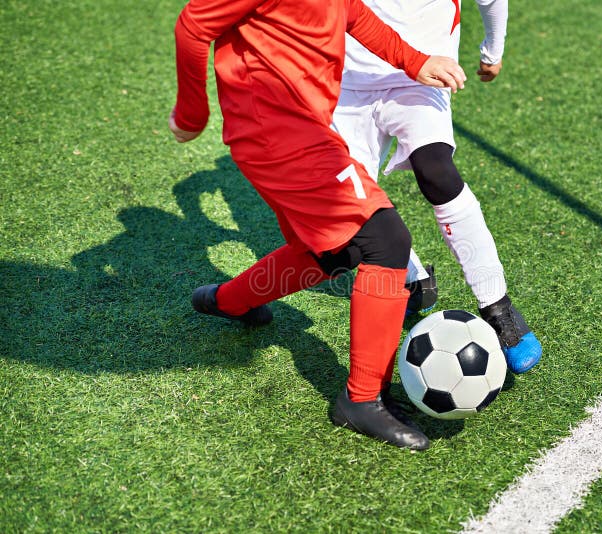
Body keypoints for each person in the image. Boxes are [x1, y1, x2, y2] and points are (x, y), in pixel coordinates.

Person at [168, 0, 466, 450]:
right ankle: (362, 400)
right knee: (386, 240)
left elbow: (353, 13)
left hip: (305, 129)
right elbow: (193, 24)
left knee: (336, 251)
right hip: (277, 134)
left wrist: (416, 61)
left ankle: (229, 302)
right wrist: (193, 115)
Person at [332, 0, 542, 374]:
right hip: (346, 83)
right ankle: (414, 279)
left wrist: (492, 51)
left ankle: (498, 307)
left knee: (436, 172)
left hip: (421, 79)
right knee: (347, 205)